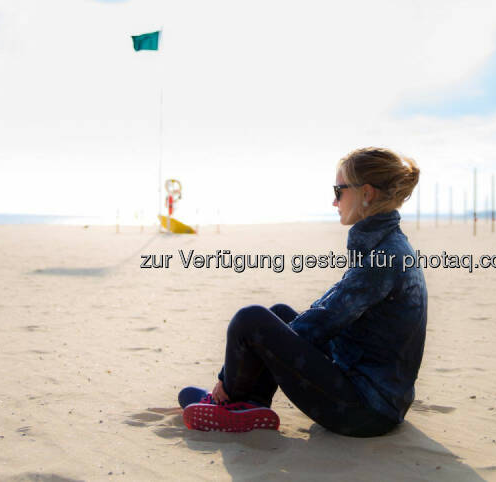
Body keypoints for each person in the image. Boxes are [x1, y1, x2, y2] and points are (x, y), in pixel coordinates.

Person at [181, 147, 427, 437]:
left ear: (367, 194)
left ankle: (228, 401)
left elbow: (323, 321)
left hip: (367, 411)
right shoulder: (385, 244)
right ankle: (250, 404)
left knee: (250, 321)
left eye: (339, 190)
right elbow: (326, 308)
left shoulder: (382, 258)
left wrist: (225, 377)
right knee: (279, 314)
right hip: (375, 394)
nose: (334, 200)